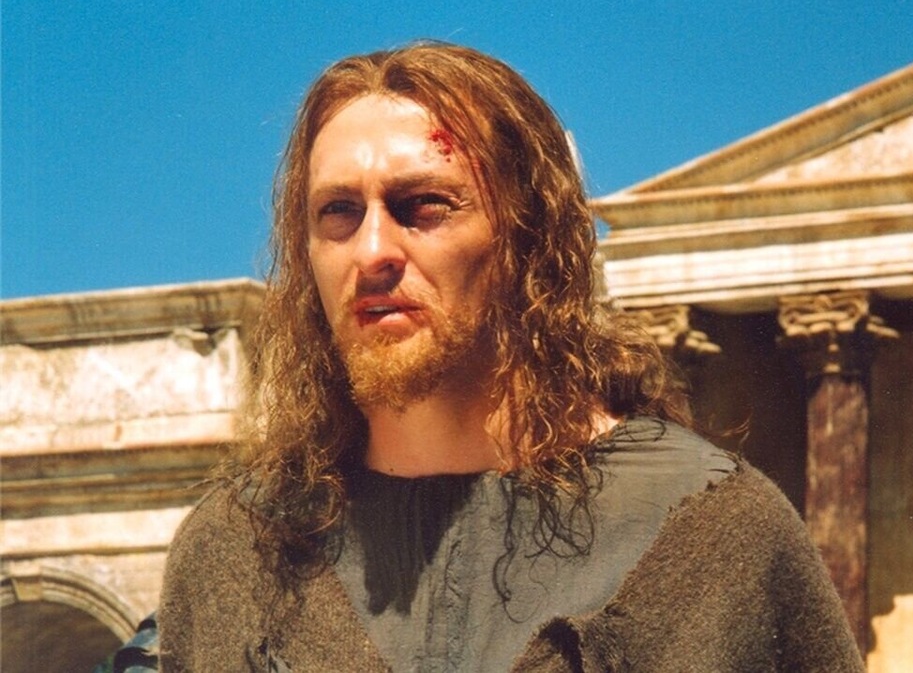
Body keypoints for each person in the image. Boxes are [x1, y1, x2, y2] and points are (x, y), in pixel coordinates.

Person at [157, 42, 863, 672]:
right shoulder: (237, 549)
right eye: (339, 211)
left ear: (529, 237)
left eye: (423, 205)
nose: (371, 251)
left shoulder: (714, 535)